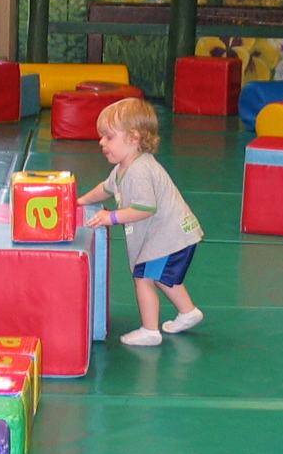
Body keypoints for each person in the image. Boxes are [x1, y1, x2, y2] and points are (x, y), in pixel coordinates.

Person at [80, 98, 203, 347]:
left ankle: (150, 331)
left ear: (133, 138)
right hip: (172, 235)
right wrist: (80, 201)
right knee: (162, 277)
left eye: (109, 137)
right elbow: (105, 188)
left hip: (169, 236)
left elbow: (144, 209)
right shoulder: (125, 167)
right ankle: (188, 312)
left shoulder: (139, 171)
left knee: (143, 278)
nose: (101, 142)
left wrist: (111, 217)